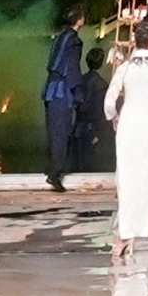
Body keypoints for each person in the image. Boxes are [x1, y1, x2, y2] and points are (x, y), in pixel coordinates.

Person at [103, 20, 148, 262]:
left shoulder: (125, 68)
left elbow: (109, 102)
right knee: (146, 178)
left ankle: (124, 232)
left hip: (128, 124)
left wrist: (115, 117)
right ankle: (134, 231)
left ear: (135, 40)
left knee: (126, 178)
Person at [42, 18, 90, 193]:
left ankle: (50, 167)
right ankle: (55, 174)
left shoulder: (60, 36)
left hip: (51, 91)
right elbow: (72, 69)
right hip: (62, 93)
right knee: (62, 134)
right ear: (80, 20)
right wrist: (79, 95)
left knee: (53, 132)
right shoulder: (74, 40)